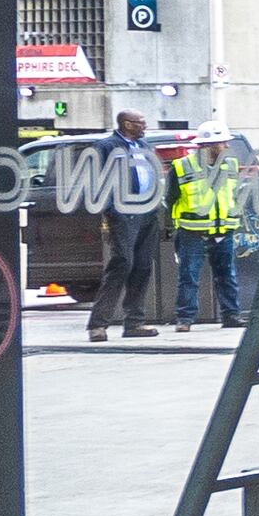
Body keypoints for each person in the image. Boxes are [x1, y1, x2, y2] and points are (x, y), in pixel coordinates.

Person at [83, 110, 164, 343]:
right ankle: (98, 324)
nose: (144, 126)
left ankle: (134, 322)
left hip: (147, 211)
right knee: (122, 264)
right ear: (127, 124)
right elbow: (96, 179)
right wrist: (108, 209)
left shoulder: (144, 146)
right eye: (140, 123)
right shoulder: (107, 146)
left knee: (142, 266)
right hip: (123, 212)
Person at [172, 133, 245, 329]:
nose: (227, 146)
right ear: (209, 145)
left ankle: (231, 316)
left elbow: (233, 193)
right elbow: (170, 197)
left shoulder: (230, 165)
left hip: (223, 230)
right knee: (189, 275)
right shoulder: (182, 166)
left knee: (226, 275)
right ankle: (185, 319)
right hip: (193, 231)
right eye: (223, 142)